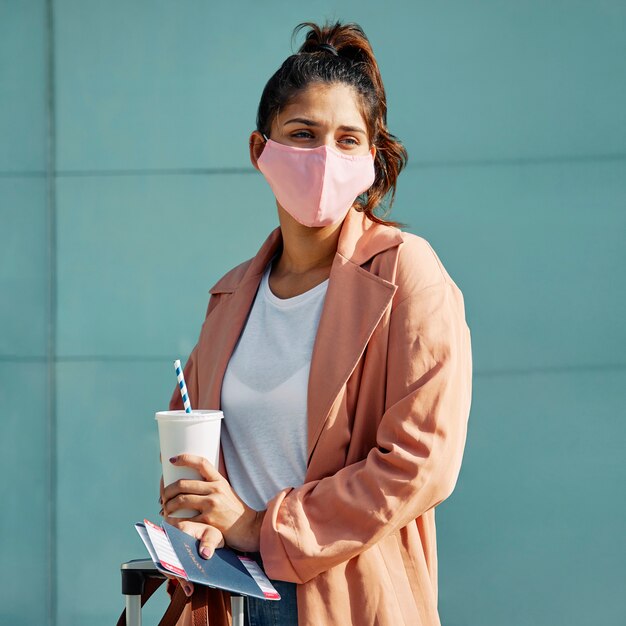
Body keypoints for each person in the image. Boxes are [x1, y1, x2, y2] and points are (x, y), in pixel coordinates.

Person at [160, 20, 472, 626]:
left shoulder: (408, 273)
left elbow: (419, 462)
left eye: (348, 140)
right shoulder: (231, 296)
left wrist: (260, 527)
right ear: (261, 150)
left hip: (345, 600)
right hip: (230, 598)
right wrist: (192, 501)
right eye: (302, 134)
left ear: (372, 159)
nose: (325, 158)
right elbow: (194, 439)